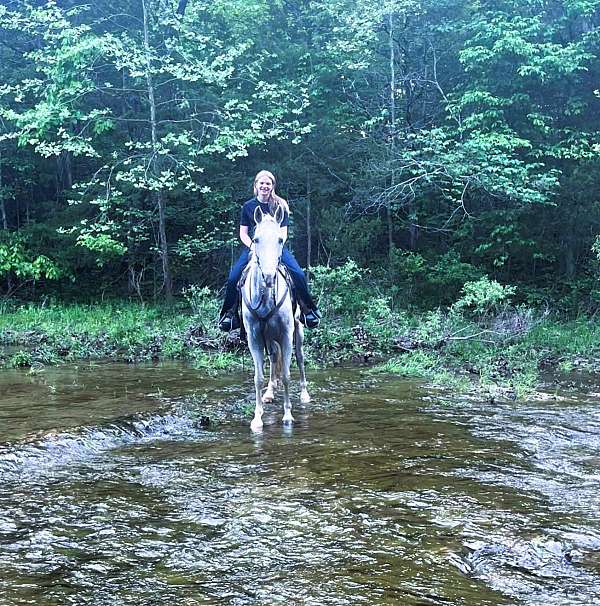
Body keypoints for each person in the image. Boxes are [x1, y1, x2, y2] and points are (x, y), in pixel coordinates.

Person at [218, 170, 321, 331]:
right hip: (255, 247)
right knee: (233, 277)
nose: (265, 186)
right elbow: (243, 233)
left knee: (298, 274)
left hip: (276, 247)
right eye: (262, 183)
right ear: (256, 185)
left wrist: (275, 247)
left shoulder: (280, 205)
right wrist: (253, 247)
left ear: (272, 186)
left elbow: (284, 232)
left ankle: (307, 310)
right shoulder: (248, 206)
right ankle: (230, 314)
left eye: (268, 183)